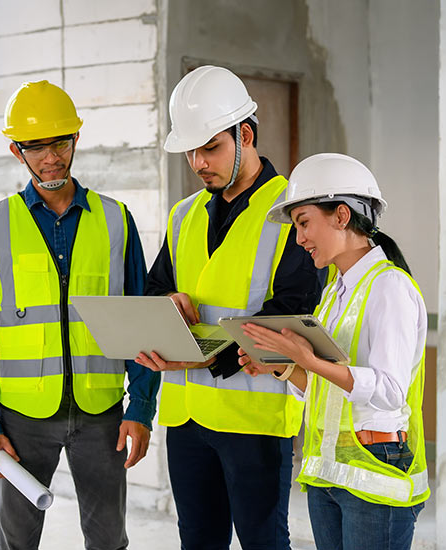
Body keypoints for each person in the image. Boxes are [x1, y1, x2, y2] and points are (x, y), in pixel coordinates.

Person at [0, 80, 160, 550]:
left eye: (59, 143)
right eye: (36, 147)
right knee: (16, 542)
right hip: (22, 416)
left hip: (102, 413)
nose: (50, 157)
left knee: (109, 540)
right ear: (16, 151)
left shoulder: (116, 220)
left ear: (76, 138)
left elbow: (142, 322)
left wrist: (142, 408)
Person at [136, 65, 326, 549]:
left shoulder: (293, 212)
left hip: (253, 421)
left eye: (211, 147)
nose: (199, 162)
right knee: (197, 540)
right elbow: (156, 285)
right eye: (192, 152)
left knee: (264, 541)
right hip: (186, 420)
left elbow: (291, 314)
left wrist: (201, 353)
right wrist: (166, 303)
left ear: (245, 134)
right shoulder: (184, 214)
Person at [239, 153, 430, 550]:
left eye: (304, 223)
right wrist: (280, 367)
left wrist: (308, 360)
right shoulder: (333, 293)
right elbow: (325, 391)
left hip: (376, 467)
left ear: (341, 215)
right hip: (329, 473)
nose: (299, 238)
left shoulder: (389, 288)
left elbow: (390, 390)